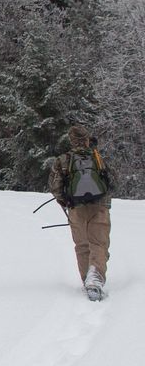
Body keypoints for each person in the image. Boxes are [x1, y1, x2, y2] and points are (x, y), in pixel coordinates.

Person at [48, 125, 115, 301]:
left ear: (71, 141)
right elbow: (112, 180)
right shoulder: (97, 157)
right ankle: (95, 278)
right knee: (99, 244)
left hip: (76, 208)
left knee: (82, 245)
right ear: (87, 139)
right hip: (100, 205)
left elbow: (54, 186)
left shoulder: (63, 160)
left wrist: (66, 201)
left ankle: (88, 279)